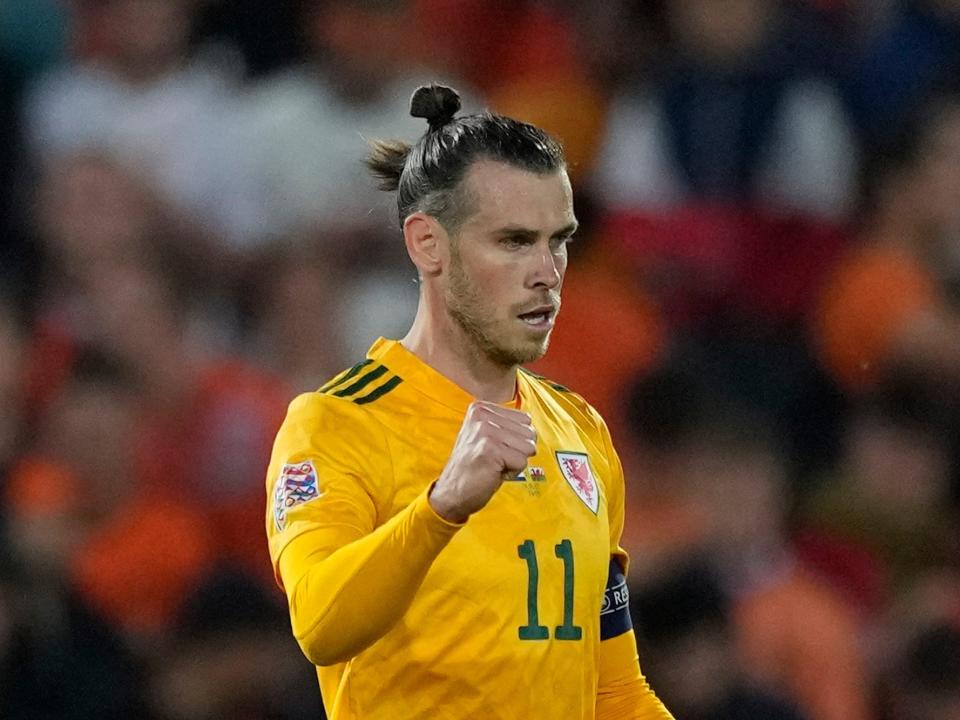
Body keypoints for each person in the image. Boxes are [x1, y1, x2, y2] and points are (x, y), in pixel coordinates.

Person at [264, 84, 674, 719]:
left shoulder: (579, 430)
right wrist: (441, 508)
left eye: (558, 240)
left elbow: (614, 691)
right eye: (513, 241)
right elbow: (319, 624)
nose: (547, 271)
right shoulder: (336, 423)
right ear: (428, 243)